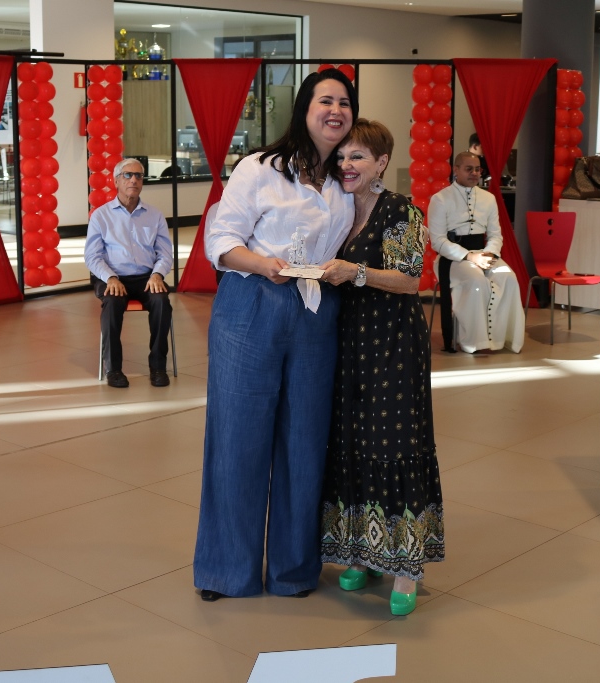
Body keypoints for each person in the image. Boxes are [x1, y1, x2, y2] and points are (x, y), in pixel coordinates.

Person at [194, 68, 358, 601]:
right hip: (252, 303)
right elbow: (220, 240)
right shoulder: (260, 168)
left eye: (344, 103)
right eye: (325, 100)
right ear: (304, 108)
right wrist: (263, 264)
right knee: (237, 439)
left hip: (315, 312)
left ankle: (293, 570)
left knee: (304, 442)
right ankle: (227, 570)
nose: (335, 110)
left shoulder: (345, 180)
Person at [317, 119, 444, 617]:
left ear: (382, 162)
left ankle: (406, 567)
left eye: (358, 157)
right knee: (352, 444)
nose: (346, 165)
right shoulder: (337, 207)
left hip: (393, 344)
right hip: (348, 344)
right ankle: (362, 553)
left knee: (394, 444)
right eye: (341, 156)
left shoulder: (400, 210)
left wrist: (355, 272)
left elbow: (411, 280)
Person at [84, 158, 174, 389]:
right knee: (112, 304)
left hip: (146, 277)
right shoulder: (101, 216)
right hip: (113, 276)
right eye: (127, 175)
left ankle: (158, 367)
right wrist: (111, 278)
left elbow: (165, 253)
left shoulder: (155, 215)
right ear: (116, 181)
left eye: (138, 176)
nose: (133, 179)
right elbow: (92, 256)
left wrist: (157, 275)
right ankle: (113, 369)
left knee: (161, 302)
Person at [428, 152, 525, 354]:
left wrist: (489, 255)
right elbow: (438, 241)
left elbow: (496, 235)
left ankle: (502, 339)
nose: (474, 173)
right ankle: (474, 341)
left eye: (477, 169)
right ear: (456, 170)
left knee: (509, 277)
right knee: (476, 280)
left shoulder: (489, 198)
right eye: (469, 169)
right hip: (452, 258)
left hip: (484, 254)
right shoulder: (440, 199)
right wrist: (470, 257)